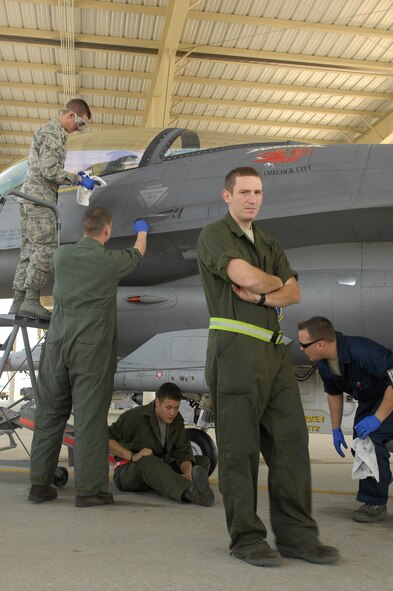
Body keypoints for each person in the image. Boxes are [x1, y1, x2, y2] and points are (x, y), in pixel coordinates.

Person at [196, 166, 339, 567]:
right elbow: (241, 274)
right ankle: (246, 539)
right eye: (243, 192)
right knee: (240, 451)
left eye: (257, 192)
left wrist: (263, 295)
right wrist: (272, 284)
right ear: (227, 196)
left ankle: (298, 538)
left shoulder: (270, 242)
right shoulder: (215, 235)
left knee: (292, 445)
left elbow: (292, 293)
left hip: (275, 355)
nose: (251, 199)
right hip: (235, 350)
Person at [28, 207, 149, 507]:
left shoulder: (61, 256)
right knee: (90, 419)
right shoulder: (109, 262)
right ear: (107, 230)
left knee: (49, 415)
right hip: (90, 348)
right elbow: (137, 253)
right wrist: (143, 229)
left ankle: (39, 486)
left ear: (84, 229)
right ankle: (90, 490)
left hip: (55, 344)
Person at [298, 315, 393, 523]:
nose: (301, 349)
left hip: (389, 395)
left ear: (320, 344)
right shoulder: (325, 363)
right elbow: (333, 392)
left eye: (304, 344)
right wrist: (335, 428)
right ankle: (379, 484)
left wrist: (377, 419)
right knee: (361, 445)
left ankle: (374, 502)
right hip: (370, 400)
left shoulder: (363, 352)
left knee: (371, 442)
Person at [9, 98, 96, 319]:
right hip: (40, 199)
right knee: (46, 247)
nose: (78, 129)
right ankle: (30, 300)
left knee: (29, 250)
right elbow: (49, 171)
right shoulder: (54, 132)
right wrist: (78, 179)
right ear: (70, 116)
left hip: (29, 197)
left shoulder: (47, 131)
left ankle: (18, 302)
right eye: (80, 124)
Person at [108, 382, 214, 507]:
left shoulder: (176, 420)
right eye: (168, 407)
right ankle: (190, 492)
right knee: (148, 461)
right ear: (157, 402)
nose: (172, 413)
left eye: (176, 408)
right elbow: (106, 437)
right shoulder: (135, 416)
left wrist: (188, 472)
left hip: (160, 465)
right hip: (129, 472)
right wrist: (132, 456)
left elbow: (182, 452)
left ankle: (181, 481)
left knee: (202, 461)